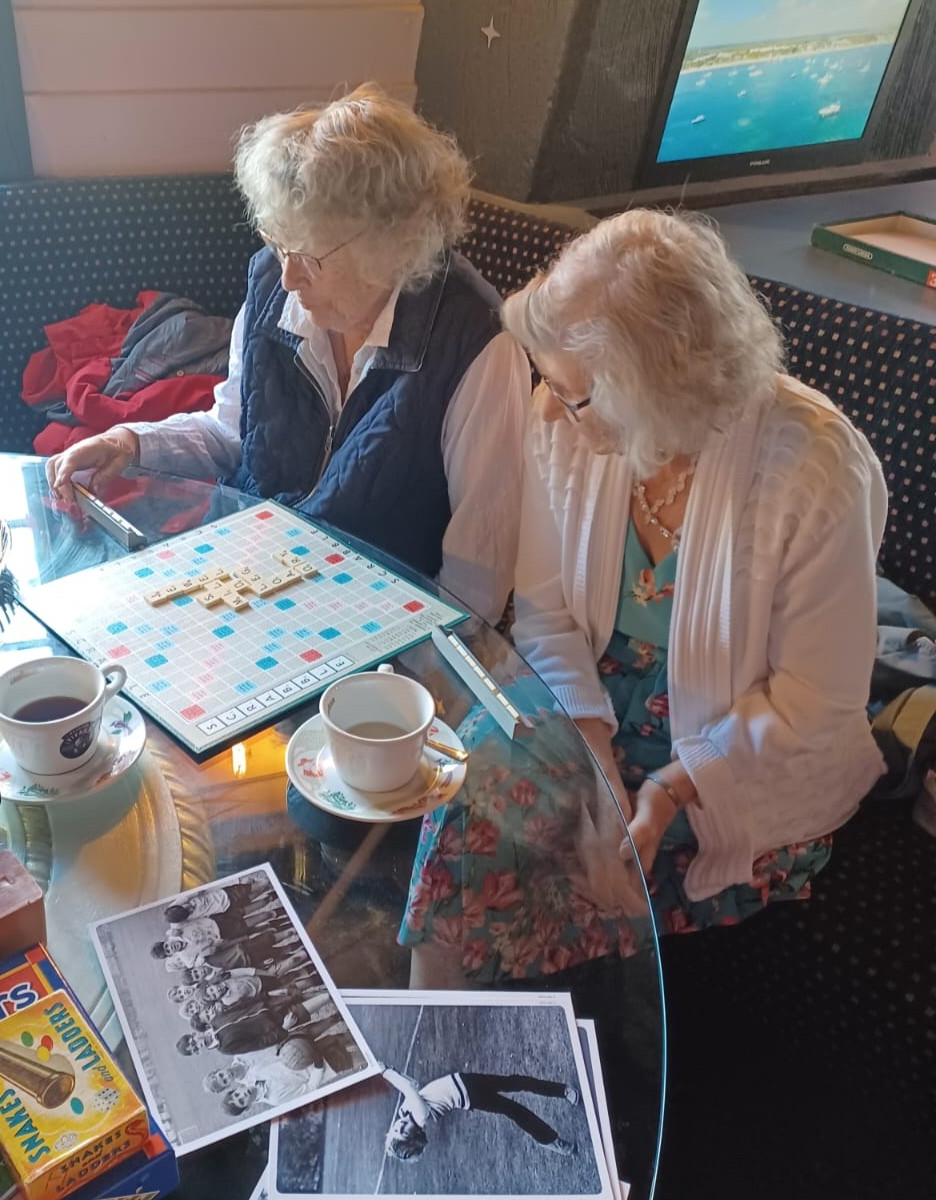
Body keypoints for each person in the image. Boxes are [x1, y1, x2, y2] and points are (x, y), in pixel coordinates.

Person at [402, 208, 888, 982]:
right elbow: (547, 610)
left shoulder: (816, 466)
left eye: (577, 398)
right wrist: (593, 763)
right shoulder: (564, 421)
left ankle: (539, 1061)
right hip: (591, 697)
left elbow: (815, 705)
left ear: (659, 383)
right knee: (464, 803)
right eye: (550, 388)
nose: (554, 414)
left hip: (740, 750)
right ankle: (432, 1073)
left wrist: (660, 796)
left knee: (575, 882)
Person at [44, 84, 529, 623]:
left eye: (310, 256)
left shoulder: (478, 347)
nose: (289, 276)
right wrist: (128, 441)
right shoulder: (276, 280)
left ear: (391, 246)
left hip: (377, 620)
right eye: (279, 244)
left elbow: (475, 581)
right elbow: (234, 431)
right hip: (258, 584)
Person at [382, 1067, 576, 1159]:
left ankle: (562, 1090)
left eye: (396, 1130)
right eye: (404, 1132)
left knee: (515, 1082)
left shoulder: (406, 1112)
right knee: (516, 1110)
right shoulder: (419, 1115)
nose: (400, 1126)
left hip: (465, 1080)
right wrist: (385, 1072)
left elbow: (413, 1083)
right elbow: (408, 1087)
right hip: (470, 1095)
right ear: (414, 1134)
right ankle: (552, 1141)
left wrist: (392, 1070)